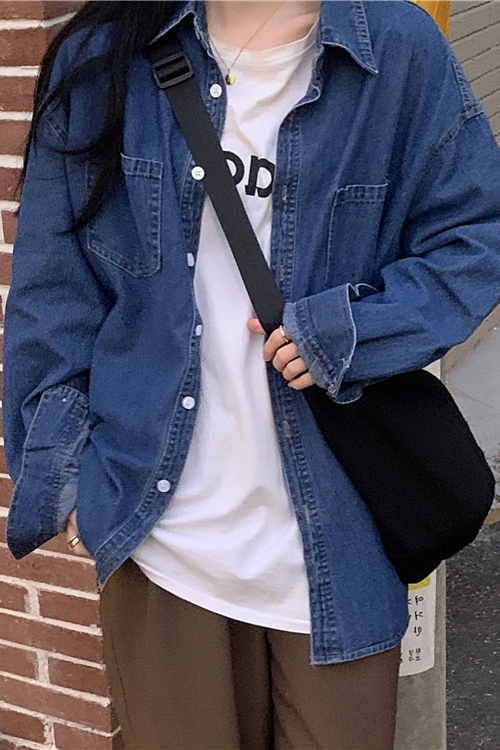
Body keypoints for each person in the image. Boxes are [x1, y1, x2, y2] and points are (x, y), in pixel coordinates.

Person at [4, 1, 500, 748]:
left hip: (341, 539)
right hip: (161, 537)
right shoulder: (104, 59)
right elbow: (53, 295)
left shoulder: (397, 50)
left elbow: (476, 237)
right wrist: (71, 479)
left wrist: (349, 331)